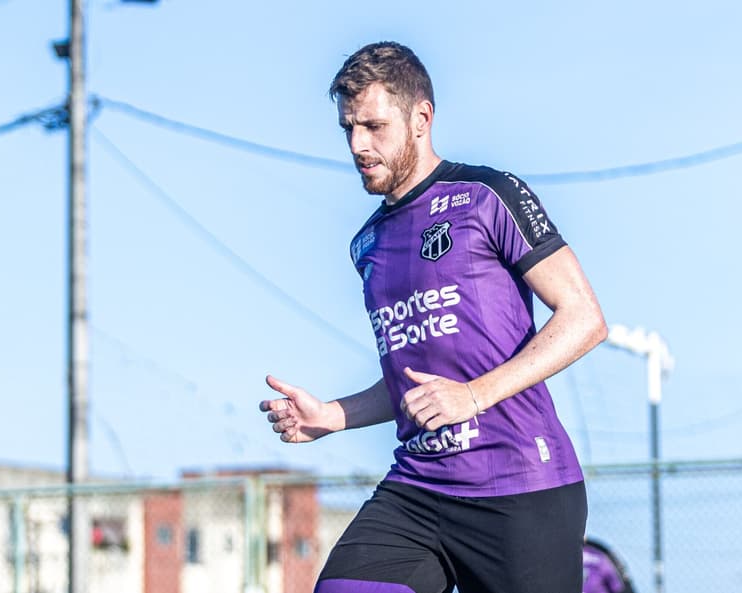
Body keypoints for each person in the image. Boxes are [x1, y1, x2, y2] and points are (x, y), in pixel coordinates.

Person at [259, 41, 607, 593]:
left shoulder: (488, 195)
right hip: (419, 488)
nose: (357, 144)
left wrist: (471, 396)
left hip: (521, 489)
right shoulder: (367, 243)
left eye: (373, 126)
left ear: (421, 118)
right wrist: (331, 415)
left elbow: (584, 319)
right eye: (348, 128)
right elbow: (411, 376)